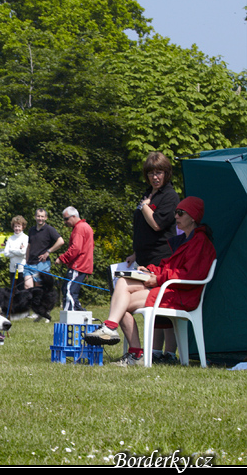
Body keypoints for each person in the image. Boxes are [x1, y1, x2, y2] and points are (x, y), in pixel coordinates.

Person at [86, 197, 216, 366]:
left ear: (193, 217)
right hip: (171, 290)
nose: (176, 216)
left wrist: (158, 278)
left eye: (180, 213)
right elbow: (169, 266)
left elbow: (189, 275)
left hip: (183, 296)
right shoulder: (186, 240)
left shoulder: (200, 242)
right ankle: (114, 331)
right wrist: (150, 271)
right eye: (176, 212)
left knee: (121, 304)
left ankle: (133, 351)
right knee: (122, 285)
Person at [125, 152, 180, 362]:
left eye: (159, 172)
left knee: (162, 307)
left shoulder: (170, 196)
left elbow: (157, 224)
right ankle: (156, 352)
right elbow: (142, 229)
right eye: (151, 173)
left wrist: (146, 206)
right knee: (153, 308)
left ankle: (170, 353)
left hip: (162, 257)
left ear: (166, 173)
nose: (155, 177)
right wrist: (135, 253)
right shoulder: (147, 194)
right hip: (143, 258)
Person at [55, 207, 94, 311]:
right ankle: (80, 313)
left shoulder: (79, 228)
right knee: (70, 290)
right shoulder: (85, 226)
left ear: (73, 216)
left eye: (66, 219)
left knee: (69, 291)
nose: (65, 222)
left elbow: (76, 248)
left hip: (79, 265)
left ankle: (68, 317)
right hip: (83, 265)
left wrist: (62, 259)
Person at [23, 208, 64, 289]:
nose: (40, 218)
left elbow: (61, 241)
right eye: (38, 216)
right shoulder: (31, 230)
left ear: (46, 218)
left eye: (42, 216)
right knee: (27, 287)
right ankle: (30, 302)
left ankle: (39, 302)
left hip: (42, 263)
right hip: (30, 263)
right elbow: (29, 246)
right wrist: (26, 260)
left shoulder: (49, 229)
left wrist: (48, 251)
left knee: (39, 288)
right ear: (35, 217)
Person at [1, 215, 29, 289]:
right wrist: (18, 250)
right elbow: (6, 253)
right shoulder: (10, 238)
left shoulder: (25, 238)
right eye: (15, 226)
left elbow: (23, 252)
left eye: (19, 226)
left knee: (22, 291)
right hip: (12, 269)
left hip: (22, 269)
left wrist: (11, 249)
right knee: (14, 291)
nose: (17, 228)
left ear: (22, 227)